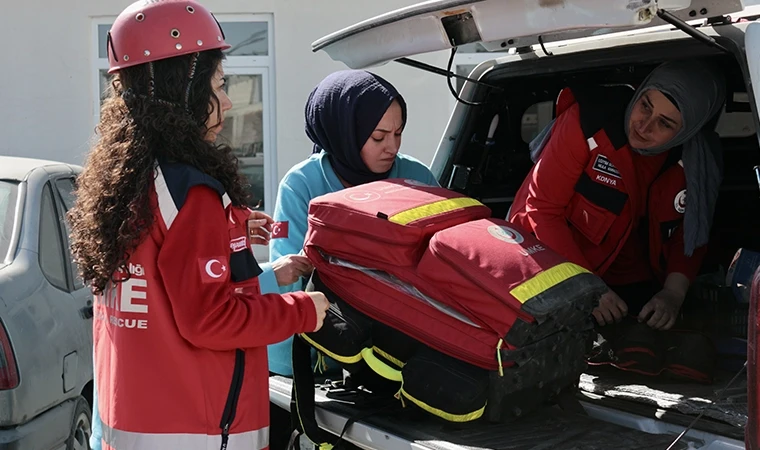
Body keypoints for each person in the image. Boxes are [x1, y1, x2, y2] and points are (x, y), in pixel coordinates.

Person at [67, 1, 329, 449]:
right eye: (220, 84)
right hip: (199, 432)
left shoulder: (125, 181)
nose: (227, 101)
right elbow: (211, 319)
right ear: (184, 87)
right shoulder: (192, 193)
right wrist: (305, 310)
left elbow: (159, 287)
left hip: (128, 424)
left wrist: (230, 240)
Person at [509, 60, 725, 332]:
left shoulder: (696, 161)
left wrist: (673, 294)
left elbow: (692, 232)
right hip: (545, 259)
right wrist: (586, 287)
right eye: (645, 105)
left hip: (628, 273)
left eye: (665, 123)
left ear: (686, 132)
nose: (644, 127)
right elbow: (541, 210)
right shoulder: (588, 122)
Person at [263, 70, 440, 377]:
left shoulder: (417, 177)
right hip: (309, 358)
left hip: (394, 359)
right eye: (378, 137)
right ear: (343, 132)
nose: (392, 147)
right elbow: (286, 273)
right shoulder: (301, 183)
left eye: (398, 133)